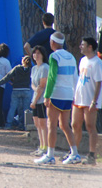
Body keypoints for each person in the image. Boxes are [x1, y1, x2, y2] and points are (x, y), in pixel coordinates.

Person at [35, 32, 79, 165]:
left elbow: (52, 77)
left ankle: (50, 155)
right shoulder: (71, 56)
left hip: (56, 94)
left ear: (52, 43)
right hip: (68, 94)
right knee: (65, 125)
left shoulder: (54, 56)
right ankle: (75, 153)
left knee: (51, 125)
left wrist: (47, 95)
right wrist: (75, 95)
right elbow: (75, 77)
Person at [71, 37, 102, 165]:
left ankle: (91, 154)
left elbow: (98, 82)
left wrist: (94, 101)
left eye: (83, 45)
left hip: (90, 99)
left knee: (90, 126)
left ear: (90, 47)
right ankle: (74, 152)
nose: (80, 46)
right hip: (79, 98)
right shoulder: (82, 60)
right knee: (75, 124)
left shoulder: (97, 62)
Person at [0, 55, 32, 130]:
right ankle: (25, 125)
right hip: (26, 90)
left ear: (23, 61)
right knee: (26, 109)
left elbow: (8, 76)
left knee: (13, 108)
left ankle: (8, 124)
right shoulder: (31, 70)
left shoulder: (17, 68)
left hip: (16, 90)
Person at [29, 45, 49, 157]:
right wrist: (35, 90)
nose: (36, 55)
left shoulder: (45, 67)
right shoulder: (34, 68)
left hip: (41, 100)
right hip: (35, 98)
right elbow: (33, 83)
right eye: (34, 53)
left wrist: (35, 100)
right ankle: (41, 145)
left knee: (42, 124)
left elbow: (42, 86)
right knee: (37, 123)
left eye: (38, 53)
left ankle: (45, 146)